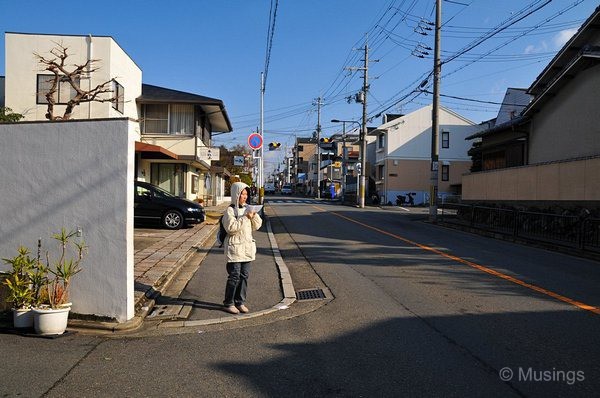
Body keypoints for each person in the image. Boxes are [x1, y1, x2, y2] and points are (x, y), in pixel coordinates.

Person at [222, 181, 262, 314]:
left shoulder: (247, 208)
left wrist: (254, 216)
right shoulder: (230, 210)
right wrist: (245, 217)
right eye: (242, 194)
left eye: (246, 194)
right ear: (236, 194)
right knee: (234, 276)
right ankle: (228, 303)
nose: (244, 197)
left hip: (247, 247)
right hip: (234, 248)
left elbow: (256, 226)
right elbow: (231, 228)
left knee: (244, 276)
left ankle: (240, 302)